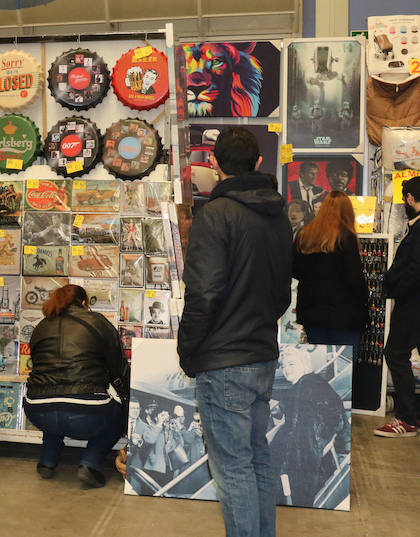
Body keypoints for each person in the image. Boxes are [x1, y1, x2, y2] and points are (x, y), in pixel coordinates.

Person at [178, 127, 292, 537]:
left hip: (223, 360)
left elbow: (202, 295)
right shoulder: (278, 215)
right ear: (259, 163)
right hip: (261, 352)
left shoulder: (215, 215)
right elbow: (283, 292)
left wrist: (187, 352)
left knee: (233, 470)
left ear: (213, 164)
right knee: (256, 459)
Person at [24, 284, 128, 488]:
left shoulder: (41, 326)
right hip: (85, 411)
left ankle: (47, 462)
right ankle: (90, 464)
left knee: (54, 402)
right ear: (83, 303)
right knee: (117, 416)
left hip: (36, 409)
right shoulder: (97, 321)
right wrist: (128, 400)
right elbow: (119, 368)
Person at [292, 191, 368, 348]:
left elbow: (295, 270)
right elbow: (354, 278)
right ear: (348, 211)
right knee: (343, 366)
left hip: (311, 312)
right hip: (344, 313)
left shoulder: (304, 234)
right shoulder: (346, 237)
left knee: (321, 365)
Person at [375, 176, 420, 437]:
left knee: (395, 353)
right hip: (412, 301)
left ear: (411, 199)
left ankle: (405, 419)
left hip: (413, 303)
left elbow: (414, 270)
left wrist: (393, 289)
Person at [274, 347, 347, 506]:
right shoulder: (305, 385)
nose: (286, 369)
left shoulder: (309, 386)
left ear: (304, 364)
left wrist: (318, 440)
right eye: (284, 366)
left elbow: (335, 418)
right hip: (303, 457)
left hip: (304, 461)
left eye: (291, 364)